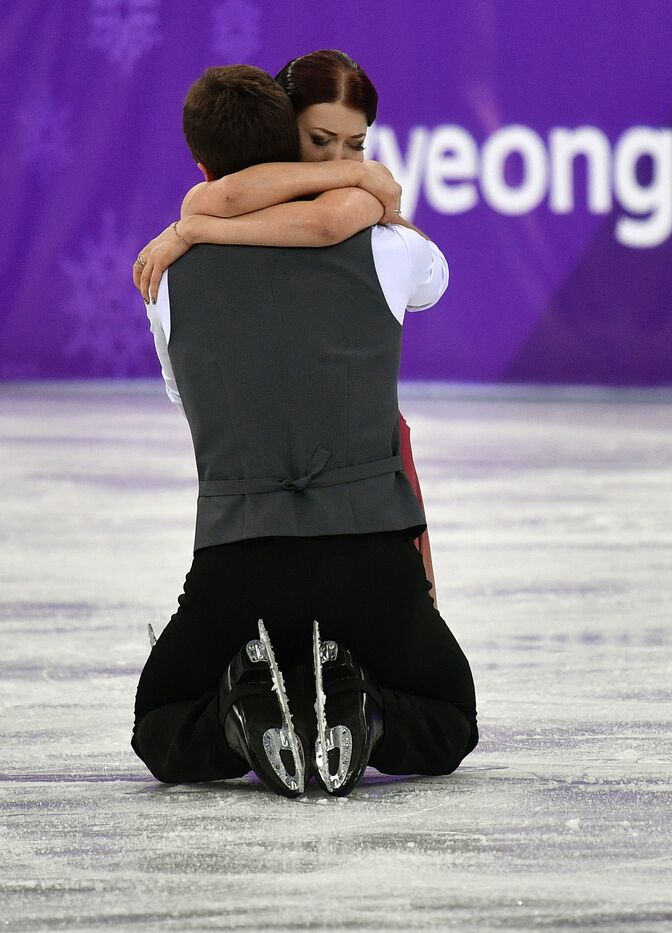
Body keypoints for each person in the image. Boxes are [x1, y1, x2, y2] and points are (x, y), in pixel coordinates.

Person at [130, 64, 477, 797]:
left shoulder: (167, 281)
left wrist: (196, 231)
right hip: (371, 564)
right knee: (450, 716)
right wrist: (371, 198)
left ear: (203, 164)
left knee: (159, 719)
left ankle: (239, 714)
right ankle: (365, 706)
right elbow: (428, 274)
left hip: (242, 564)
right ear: (289, 148)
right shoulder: (392, 251)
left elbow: (191, 393)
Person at [134, 49, 439, 604]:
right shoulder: (353, 192)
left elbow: (322, 223)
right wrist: (192, 228)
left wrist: (193, 233)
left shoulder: (354, 200)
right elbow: (221, 198)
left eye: (355, 145)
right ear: (280, 132)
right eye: (319, 141)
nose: (336, 160)